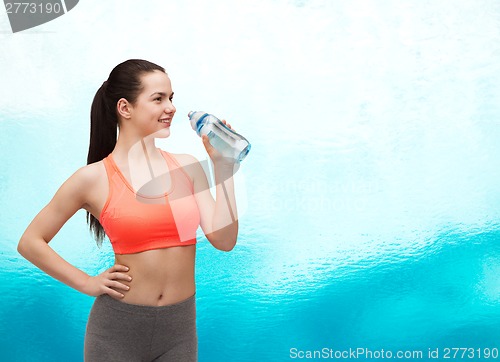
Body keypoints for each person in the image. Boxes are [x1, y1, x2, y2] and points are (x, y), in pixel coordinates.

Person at [17, 59, 240, 362]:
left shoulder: (188, 166)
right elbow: (31, 241)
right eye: (158, 98)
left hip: (180, 331)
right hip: (116, 333)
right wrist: (87, 283)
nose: (171, 107)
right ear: (125, 108)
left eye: (171, 97)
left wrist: (223, 168)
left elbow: (224, 241)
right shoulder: (93, 178)